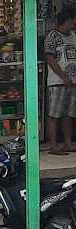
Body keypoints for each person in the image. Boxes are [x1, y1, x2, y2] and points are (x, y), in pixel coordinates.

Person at [44, 7, 76, 155]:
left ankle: (68, 143)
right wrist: (63, 76)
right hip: (57, 81)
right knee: (54, 114)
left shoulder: (73, 36)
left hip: (73, 81)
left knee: (69, 114)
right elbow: (50, 58)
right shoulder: (53, 36)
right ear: (68, 20)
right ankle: (53, 145)